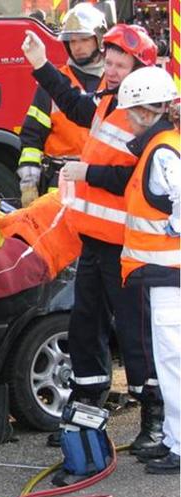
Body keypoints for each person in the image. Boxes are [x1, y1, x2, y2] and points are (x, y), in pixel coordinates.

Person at [22, 24, 164, 457]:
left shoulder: (147, 114)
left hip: (127, 248)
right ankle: (85, 414)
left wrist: (88, 175)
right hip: (96, 243)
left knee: (138, 337)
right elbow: (76, 106)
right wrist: (41, 66)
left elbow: (135, 179)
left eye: (122, 64)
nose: (114, 70)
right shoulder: (110, 96)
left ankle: (154, 422)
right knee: (86, 329)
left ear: (140, 67)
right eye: (112, 62)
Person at [114, 67, 180, 474]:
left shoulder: (162, 153)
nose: (126, 118)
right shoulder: (165, 146)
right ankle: (173, 437)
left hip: (168, 275)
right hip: (164, 274)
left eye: (130, 110)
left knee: (174, 363)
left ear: (143, 110)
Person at [17, 3, 107, 206]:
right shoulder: (53, 83)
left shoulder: (113, 82)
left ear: (99, 39)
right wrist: (29, 184)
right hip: (60, 184)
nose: (78, 47)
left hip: (101, 182)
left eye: (84, 39)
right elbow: (31, 138)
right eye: (72, 41)